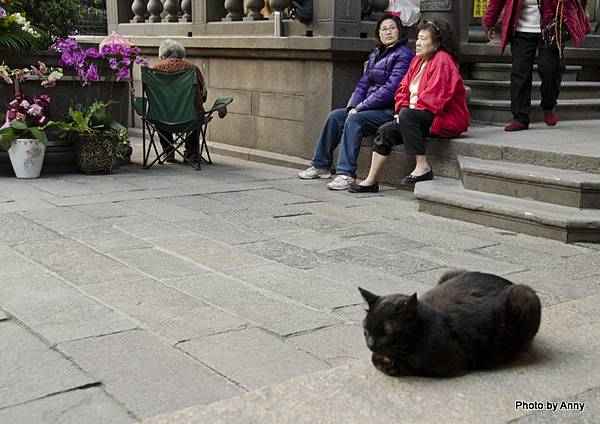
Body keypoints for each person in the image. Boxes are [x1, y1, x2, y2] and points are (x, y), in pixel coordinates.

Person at [349, 19, 469, 193]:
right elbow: (402, 90)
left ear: (436, 44)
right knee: (385, 131)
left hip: (443, 117)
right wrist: (401, 111)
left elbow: (436, 98)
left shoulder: (443, 60)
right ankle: (371, 180)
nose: (418, 43)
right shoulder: (417, 61)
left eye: (423, 39)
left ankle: (423, 166)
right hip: (416, 116)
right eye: (418, 38)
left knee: (406, 116)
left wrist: (407, 113)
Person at [298, 15, 414, 190]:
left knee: (354, 120)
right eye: (384, 29)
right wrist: (352, 105)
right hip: (368, 108)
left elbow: (390, 90)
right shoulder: (376, 54)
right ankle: (321, 165)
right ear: (378, 34)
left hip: (390, 110)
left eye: (392, 28)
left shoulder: (404, 55)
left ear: (400, 31)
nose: (388, 32)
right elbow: (363, 84)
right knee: (336, 116)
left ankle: (346, 174)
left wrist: (359, 108)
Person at [483, 0, 590, 131]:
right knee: (520, 72)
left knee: (551, 68)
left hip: (550, 28)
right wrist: (489, 22)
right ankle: (520, 118)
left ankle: (548, 105)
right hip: (520, 30)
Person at [153, 39, 208, 162]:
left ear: (162, 55)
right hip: (189, 119)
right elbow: (203, 95)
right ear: (182, 54)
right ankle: (191, 153)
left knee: (160, 111)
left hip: (163, 119)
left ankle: (168, 151)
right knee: (196, 111)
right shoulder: (193, 69)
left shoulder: (155, 70)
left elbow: (152, 97)